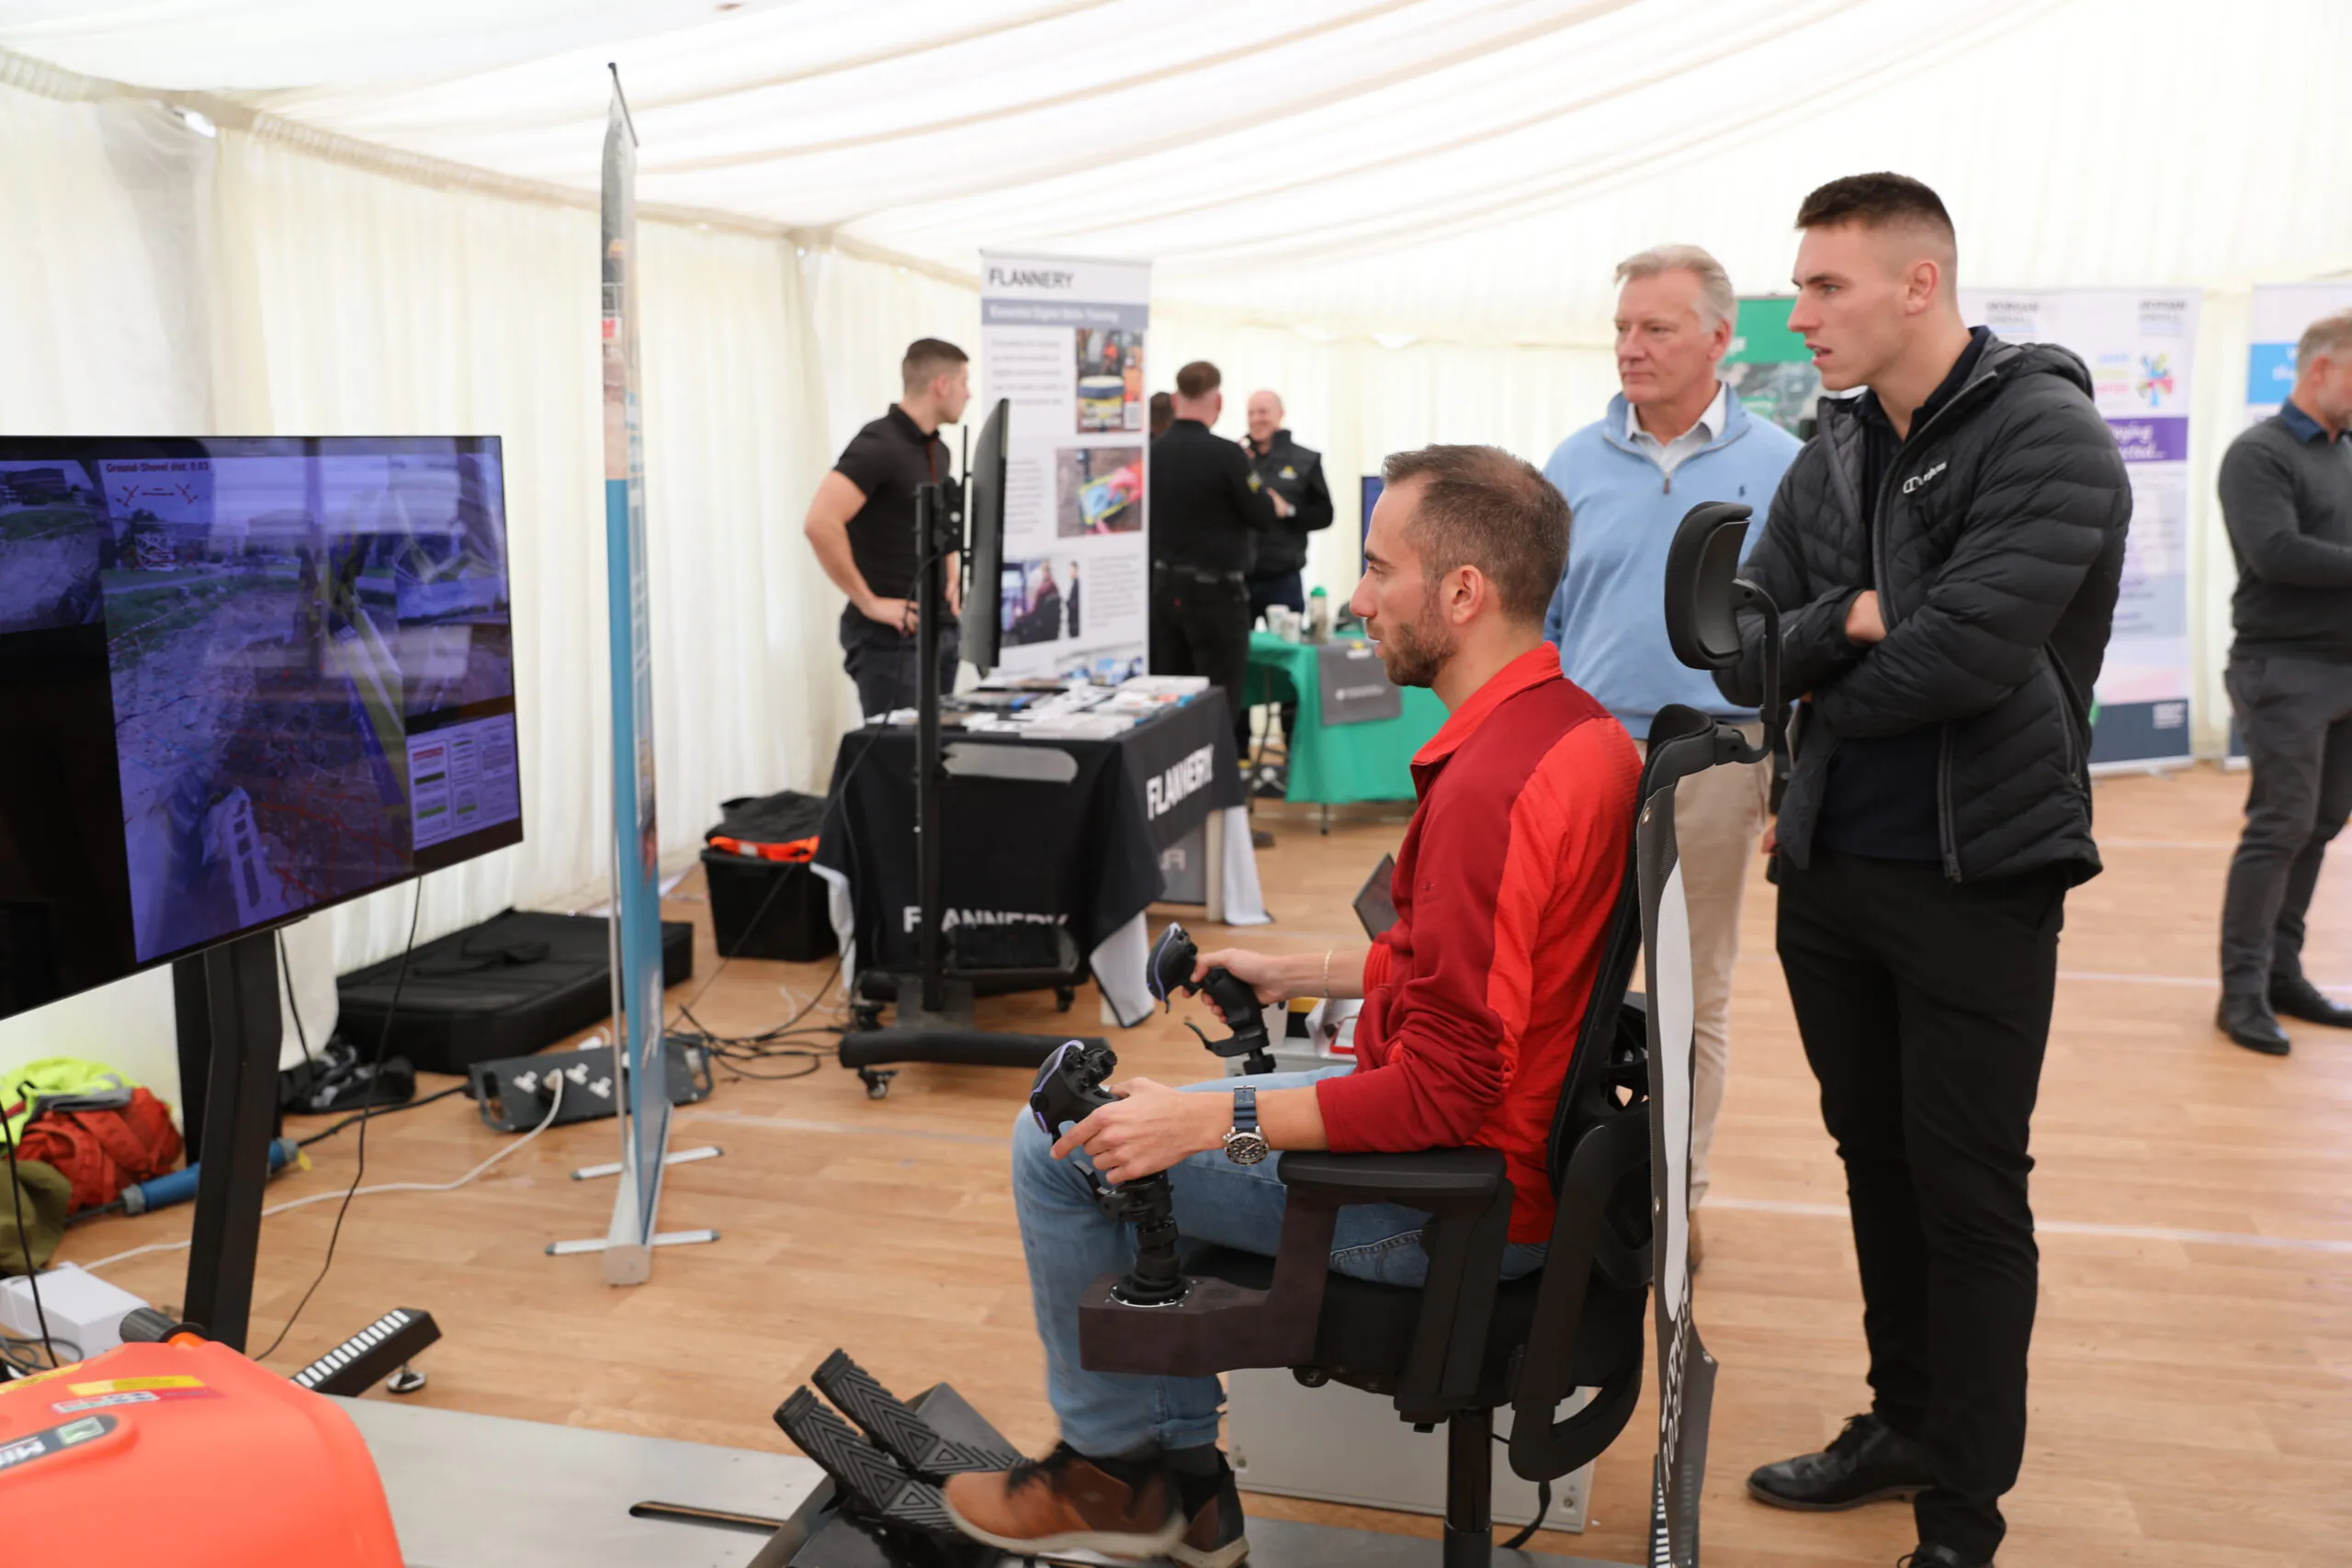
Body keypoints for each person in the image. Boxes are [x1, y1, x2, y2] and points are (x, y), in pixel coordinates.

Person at [942, 446, 1638, 1568]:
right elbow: (1503, 971)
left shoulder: (1492, 792)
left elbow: (1451, 1084)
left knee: (1061, 1142)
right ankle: (1185, 1493)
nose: (1357, 600)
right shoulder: (1573, 732)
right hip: (1507, 1167)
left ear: (1463, 593)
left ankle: (1121, 1474)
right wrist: (1301, 967)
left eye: (1377, 570)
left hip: (1455, 1207)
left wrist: (1212, 1121)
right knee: (1145, 1122)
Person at [1719, 175, 2128, 1568]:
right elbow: (1742, 640)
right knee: (1874, 1166)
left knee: (1965, 1193)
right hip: (1831, 865)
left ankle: (1962, 1518)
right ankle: (1902, 1421)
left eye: (1824, 286)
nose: (1797, 313)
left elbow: (1964, 658)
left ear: (1918, 284)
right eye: (1798, 284)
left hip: (1979, 876)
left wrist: (1821, 672)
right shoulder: (1829, 444)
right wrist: (1854, 619)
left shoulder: (2051, 432)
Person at [1539, 244, 1802, 1269]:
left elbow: (1795, 635)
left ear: (1718, 339)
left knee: (1693, 996)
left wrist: (1782, 768)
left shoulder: (1782, 465)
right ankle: (1556, 1182)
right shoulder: (1568, 463)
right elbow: (1545, 620)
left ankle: (1668, 1201)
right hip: (1587, 756)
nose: (1631, 347)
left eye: (1655, 328)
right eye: (1621, 327)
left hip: (1714, 765)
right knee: (1561, 981)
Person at [2212, 307, 2352, 1055]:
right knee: (2281, 826)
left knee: (2321, 825)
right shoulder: (2257, 454)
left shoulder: (2347, 450)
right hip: (2284, 670)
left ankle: (2281, 975)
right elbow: (2276, 553)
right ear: (2321, 368)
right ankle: (2239, 993)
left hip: (2345, 670)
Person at [803, 338, 969, 720]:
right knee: (898, 764)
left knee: (938, 762)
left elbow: (937, 521)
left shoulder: (937, 450)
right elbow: (820, 522)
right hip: (890, 643)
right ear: (941, 385)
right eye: (964, 382)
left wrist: (952, 574)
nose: (968, 393)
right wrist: (869, 602)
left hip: (938, 632)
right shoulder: (879, 444)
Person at [1149, 361, 1277, 754]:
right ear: (1218, 401)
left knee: (1168, 700)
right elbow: (1263, 515)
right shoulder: (1229, 456)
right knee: (1218, 700)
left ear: (1175, 400)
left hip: (1163, 593)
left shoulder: (1151, 453)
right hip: (1216, 599)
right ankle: (1218, 800)